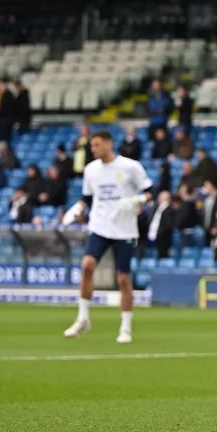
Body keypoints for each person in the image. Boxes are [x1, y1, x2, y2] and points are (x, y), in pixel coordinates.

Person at [63, 130, 154, 344]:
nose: (93, 149)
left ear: (108, 144)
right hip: (100, 225)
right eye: (91, 146)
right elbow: (88, 197)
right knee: (87, 265)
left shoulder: (130, 167)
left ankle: (126, 327)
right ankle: (83, 317)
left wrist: (135, 200)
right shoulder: (91, 170)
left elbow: (151, 192)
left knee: (123, 278)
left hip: (124, 229)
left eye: (96, 145)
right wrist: (77, 208)